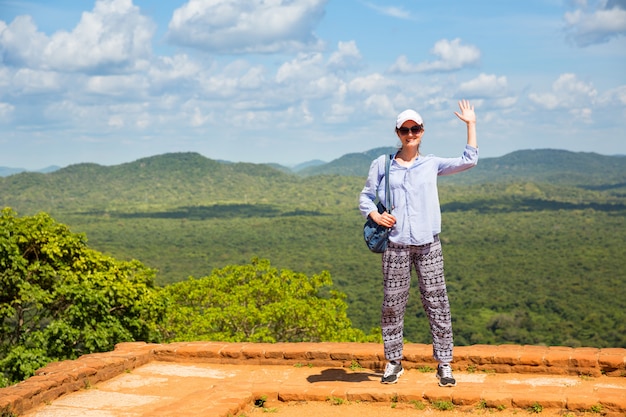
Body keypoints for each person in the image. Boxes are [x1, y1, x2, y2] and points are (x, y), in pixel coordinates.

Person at [358, 100, 478, 387]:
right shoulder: (383, 164)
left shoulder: (431, 163)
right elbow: (365, 196)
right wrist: (375, 214)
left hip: (428, 243)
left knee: (438, 303)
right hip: (396, 244)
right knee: (392, 305)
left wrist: (471, 124)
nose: (410, 134)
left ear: (422, 131)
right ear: (398, 132)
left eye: (415, 129)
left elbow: (469, 160)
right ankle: (393, 362)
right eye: (405, 129)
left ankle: (445, 364)